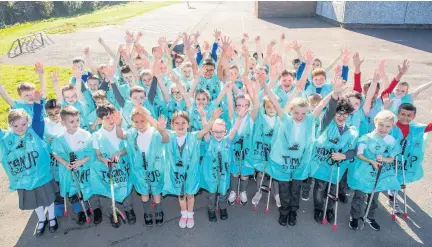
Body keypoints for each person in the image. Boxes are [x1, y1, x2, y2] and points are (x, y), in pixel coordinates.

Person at [0, 91, 58, 236]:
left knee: (49, 198)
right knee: (35, 202)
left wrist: (38, 103)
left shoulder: (35, 131)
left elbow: (38, 119)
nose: (20, 128)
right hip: (23, 180)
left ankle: (52, 217)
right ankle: (41, 219)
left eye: (24, 124)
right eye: (15, 126)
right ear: (9, 126)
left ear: (28, 122)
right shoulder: (6, 139)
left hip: (42, 176)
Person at [163, 108, 223, 229]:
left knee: (190, 195)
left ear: (188, 125)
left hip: (191, 174)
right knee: (181, 195)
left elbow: (206, 130)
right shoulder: (169, 136)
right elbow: (159, 130)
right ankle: (183, 214)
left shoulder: (194, 137)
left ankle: (190, 214)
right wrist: (160, 127)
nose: (180, 125)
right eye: (177, 123)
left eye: (183, 123)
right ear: (172, 125)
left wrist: (212, 118)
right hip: (177, 174)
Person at [115, 104, 169, 227]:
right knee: (144, 193)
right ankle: (147, 213)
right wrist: (118, 125)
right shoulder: (133, 133)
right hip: (139, 170)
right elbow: (121, 135)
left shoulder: (154, 132)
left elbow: (165, 139)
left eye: (142, 121)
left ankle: (159, 212)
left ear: (148, 120)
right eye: (136, 121)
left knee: (156, 191)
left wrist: (162, 130)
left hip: (155, 169)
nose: (139, 124)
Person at [348, 110, 401, 231]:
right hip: (363, 172)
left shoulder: (390, 140)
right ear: (375, 122)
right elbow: (359, 154)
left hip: (377, 173)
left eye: (387, 126)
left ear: (392, 127)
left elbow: (391, 159)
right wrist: (371, 161)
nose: (383, 128)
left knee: (374, 198)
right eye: (381, 124)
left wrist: (383, 158)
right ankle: (354, 217)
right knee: (359, 197)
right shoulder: (366, 138)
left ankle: (369, 216)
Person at [91, 103, 135, 228]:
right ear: (100, 120)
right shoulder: (97, 136)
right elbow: (98, 155)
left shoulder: (120, 130)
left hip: (122, 167)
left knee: (125, 188)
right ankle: (113, 213)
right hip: (107, 169)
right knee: (109, 191)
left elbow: (128, 149)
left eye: (112, 117)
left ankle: (129, 209)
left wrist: (119, 153)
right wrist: (104, 160)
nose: (111, 120)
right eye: (107, 118)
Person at [51, 106, 95, 225]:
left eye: (77, 120)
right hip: (68, 170)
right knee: (74, 189)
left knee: (85, 187)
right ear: (63, 122)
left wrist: (81, 161)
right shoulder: (60, 138)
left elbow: (91, 153)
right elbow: (55, 153)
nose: (76, 123)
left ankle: (91, 207)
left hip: (83, 168)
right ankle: (81, 210)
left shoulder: (85, 135)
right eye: (71, 121)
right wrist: (65, 163)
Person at [387, 103, 432, 214]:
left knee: (399, 180)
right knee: (386, 177)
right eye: (402, 114)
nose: (405, 117)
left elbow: (428, 127)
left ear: (414, 117)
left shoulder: (415, 129)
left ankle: (392, 198)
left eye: (409, 115)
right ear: (398, 114)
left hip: (404, 160)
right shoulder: (391, 125)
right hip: (390, 158)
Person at [201, 115, 242, 222]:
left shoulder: (227, 141)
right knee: (212, 193)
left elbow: (234, 130)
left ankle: (223, 208)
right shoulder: (209, 141)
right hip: (212, 174)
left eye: (221, 132)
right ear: (211, 131)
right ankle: (211, 210)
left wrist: (240, 117)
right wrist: (202, 116)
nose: (218, 134)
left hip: (224, 173)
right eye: (215, 131)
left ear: (225, 131)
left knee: (223, 192)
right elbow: (205, 128)